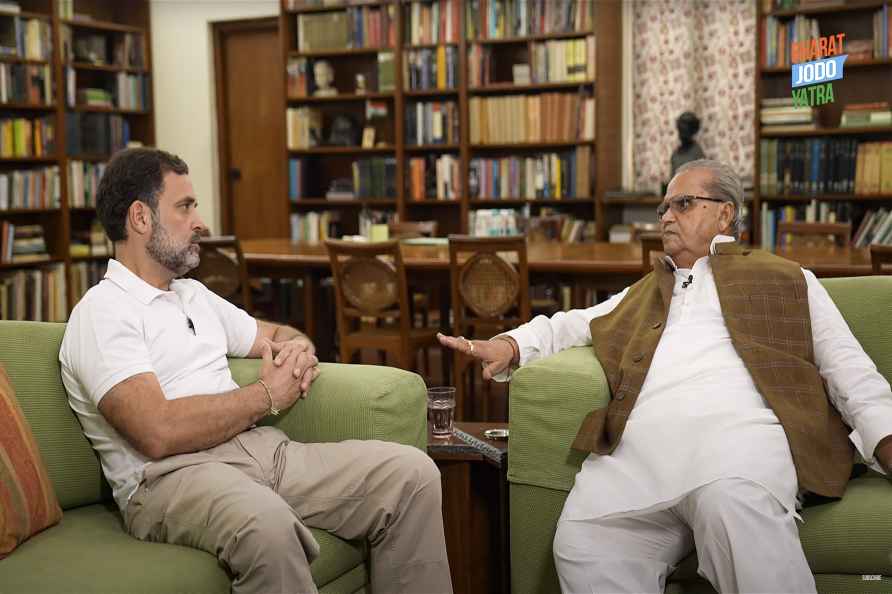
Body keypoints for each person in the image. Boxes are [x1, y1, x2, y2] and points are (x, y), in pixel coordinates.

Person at [439, 159, 892, 594]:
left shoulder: (789, 279)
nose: (666, 217)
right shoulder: (648, 291)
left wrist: (886, 440)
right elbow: (572, 323)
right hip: (639, 455)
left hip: (737, 443)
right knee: (584, 539)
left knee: (733, 505)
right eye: (663, 208)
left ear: (725, 214)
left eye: (683, 204)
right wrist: (510, 345)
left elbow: (848, 369)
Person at [60, 147, 452, 594]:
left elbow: (280, 333)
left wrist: (299, 352)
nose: (200, 222)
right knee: (269, 526)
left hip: (262, 451)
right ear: (140, 217)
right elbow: (156, 431)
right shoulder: (103, 312)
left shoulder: (193, 296)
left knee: (411, 475)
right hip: (170, 478)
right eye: (185, 206)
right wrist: (266, 395)